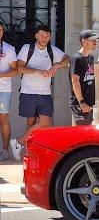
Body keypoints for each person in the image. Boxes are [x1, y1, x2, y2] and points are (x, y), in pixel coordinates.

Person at [13, 24, 69, 159]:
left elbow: (67, 59)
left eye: (47, 36)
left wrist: (56, 65)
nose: (44, 38)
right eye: (42, 35)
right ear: (36, 35)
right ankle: (30, 152)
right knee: (31, 124)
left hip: (45, 94)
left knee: (45, 123)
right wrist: (39, 71)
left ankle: (19, 142)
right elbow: (20, 68)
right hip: (28, 92)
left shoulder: (52, 50)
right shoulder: (28, 48)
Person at [69, 30, 99, 126]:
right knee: (80, 133)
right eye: (92, 40)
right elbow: (75, 81)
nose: (95, 42)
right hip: (80, 104)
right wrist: (81, 102)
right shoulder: (76, 58)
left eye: (95, 40)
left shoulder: (90, 57)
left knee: (87, 133)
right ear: (84, 41)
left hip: (89, 103)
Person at [0, 23, 18, 161]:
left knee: (4, 119)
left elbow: (15, 70)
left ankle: (5, 151)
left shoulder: (9, 49)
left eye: (0, 30)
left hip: (3, 89)